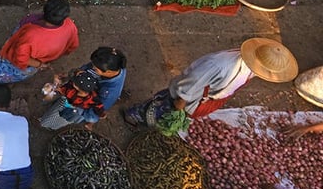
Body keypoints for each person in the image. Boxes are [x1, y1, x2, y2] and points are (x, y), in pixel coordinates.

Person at [123, 38, 297, 127]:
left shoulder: (250, 68)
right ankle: (134, 115)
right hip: (188, 96)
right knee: (160, 108)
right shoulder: (220, 65)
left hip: (207, 97)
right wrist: (180, 105)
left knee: (164, 116)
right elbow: (190, 83)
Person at [0, 0, 79, 89]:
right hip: (34, 66)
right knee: (16, 76)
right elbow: (72, 46)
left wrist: (40, 65)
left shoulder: (31, 34)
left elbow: (20, 58)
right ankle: (9, 83)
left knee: (0, 74)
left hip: (19, 63)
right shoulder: (70, 26)